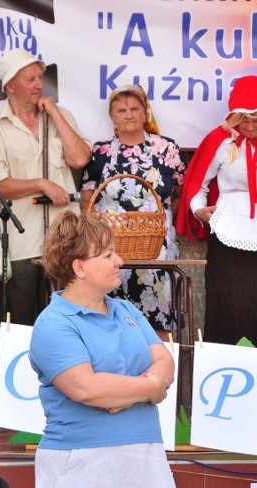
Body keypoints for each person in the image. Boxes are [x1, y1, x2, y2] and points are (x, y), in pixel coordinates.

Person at [28, 211, 194, 488]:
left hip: (144, 459)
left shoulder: (127, 310)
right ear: (79, 267)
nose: (119, 261)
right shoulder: (53, 324)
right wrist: (150, 388)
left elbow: (164, 360)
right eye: (107, 255)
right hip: (81, 465)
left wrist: (122, 395)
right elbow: (86, 389)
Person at [176, 75, 257, 350]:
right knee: (230, 305)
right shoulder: (219, 140)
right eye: (243, 118)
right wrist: (199, 210)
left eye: (256, 119)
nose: (249, 126)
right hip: (229, 231)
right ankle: (230, 374)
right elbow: (197, 184)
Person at [0, 48, 92, 325]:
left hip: (66, 239)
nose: (39, 85)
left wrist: (53, 112)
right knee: (22, 321)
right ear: (10, 86)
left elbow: (79, 158)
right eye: (30, 79)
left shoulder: (60, 116)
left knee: (71, 317)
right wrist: (41, 184)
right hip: (22, 242)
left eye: (39, 78)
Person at [81, 84, 185, 338]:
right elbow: (87, 198)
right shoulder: (100, 152)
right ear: (112, 117)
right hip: (110, 249)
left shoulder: (167, 149)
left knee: (157, 318)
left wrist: (163, 227)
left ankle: (159, 372)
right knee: (112, 318)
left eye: (134, 109)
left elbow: (180, 192)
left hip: (155, 250)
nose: (128, 114)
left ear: (145, 113)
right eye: (121, 110)